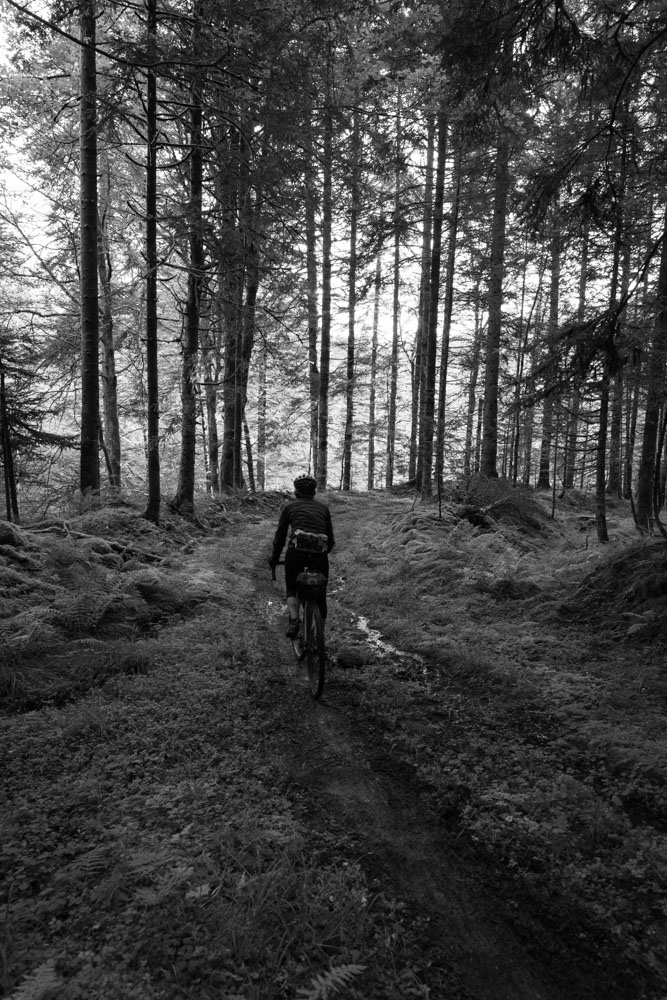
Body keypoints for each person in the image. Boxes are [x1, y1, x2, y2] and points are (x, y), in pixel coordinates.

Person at [269, 474, 335, 638]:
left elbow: (280, 537)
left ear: (296, 491)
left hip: (296, 554)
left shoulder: (289, 507)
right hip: (319, 555)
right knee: (320, 594)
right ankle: (320, 637)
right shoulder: (323, 508)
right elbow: (330, 539)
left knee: (292, 587)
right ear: (314, 491)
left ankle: (294, 620)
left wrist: (275, 558)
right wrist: (322, 554)